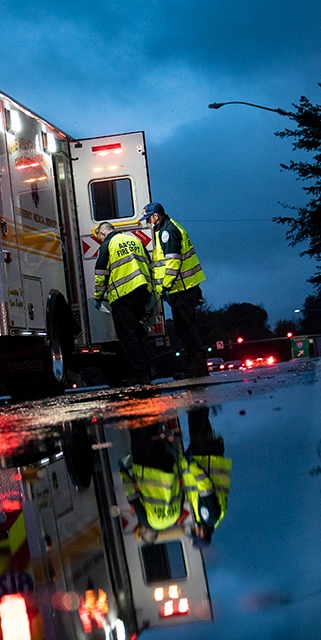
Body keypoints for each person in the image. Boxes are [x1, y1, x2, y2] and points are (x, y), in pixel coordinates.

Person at [141, 202, 208, 380]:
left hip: (181, 288)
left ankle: (198, 366)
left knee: (186, 329)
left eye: (148, 218)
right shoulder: (167, 228)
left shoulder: (167, 232)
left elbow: (173, 261)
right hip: (185, 287)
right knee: (184, 328)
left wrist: (165, 285)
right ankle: (195, 366)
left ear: (156, 216)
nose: (148, 222)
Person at [92, 221, 157, 387]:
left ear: (103, 233)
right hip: (142, 291)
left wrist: (98, 296)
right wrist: (151, 290)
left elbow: (100, 273)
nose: (99, 240)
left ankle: (140, 375)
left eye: (99, 237)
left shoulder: (108, 245)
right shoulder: (135, 240)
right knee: (140, 333)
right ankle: (151, 371)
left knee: (128, 337)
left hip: (123, 295)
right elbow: (150, 266)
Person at [181, 407, 230, 547]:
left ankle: (197, 397)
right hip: (205, 459)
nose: (194, 530)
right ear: (202, 534)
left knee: (198, 423)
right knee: (198, 423)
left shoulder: (202, 519)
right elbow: (205, 487)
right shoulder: (209, 517)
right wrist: (191, 466)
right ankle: (198, 395)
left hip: (206, 458)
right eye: (195, 533)